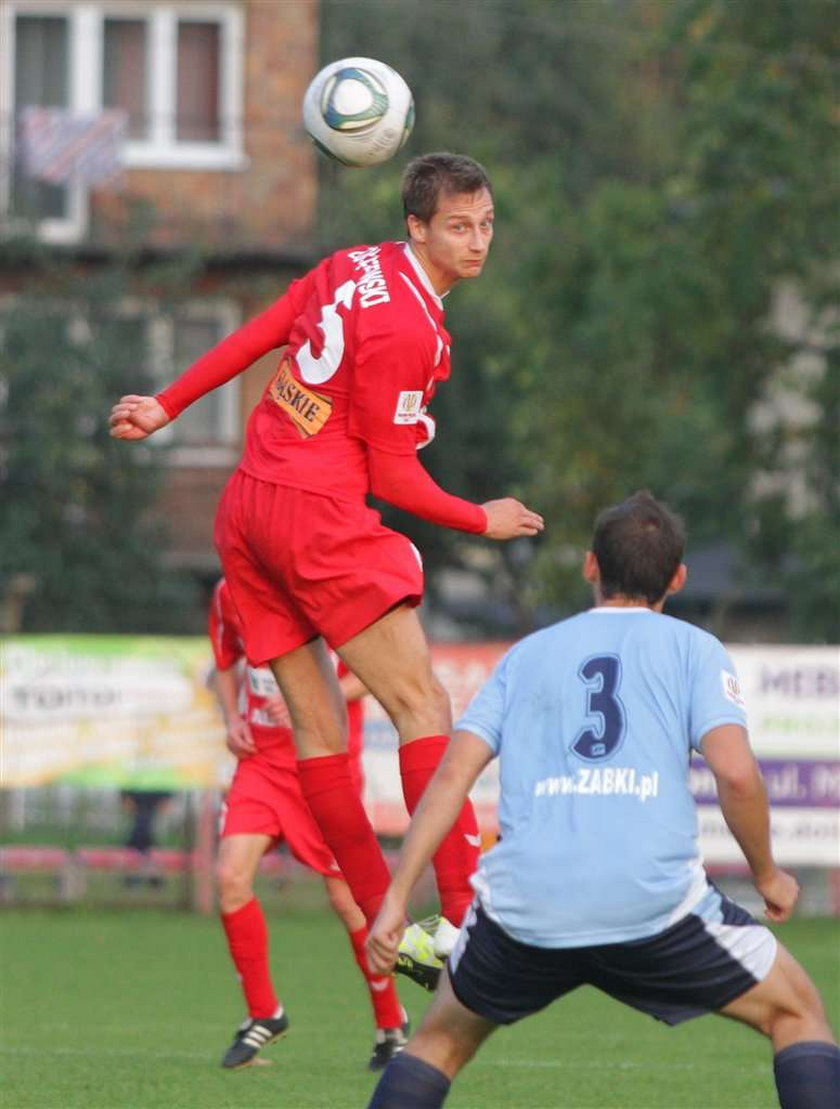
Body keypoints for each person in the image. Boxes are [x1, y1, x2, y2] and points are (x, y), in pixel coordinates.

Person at [109, 153, 544, 981]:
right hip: (316, 518)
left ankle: (394, 929)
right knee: (423, 703)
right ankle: (465, 916)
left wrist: (169, 402)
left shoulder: (353, 265)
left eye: (486, 224)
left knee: (318, 733)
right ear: (417, 226)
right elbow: (392, 479)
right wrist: (477, 516)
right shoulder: (410, 327)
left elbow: (263, 329)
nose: (478, 240)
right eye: (459, 225)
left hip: (248, 512)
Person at [365, 491, 839, 1109]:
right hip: (652, 906)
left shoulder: (526, 656)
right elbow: (737, 775)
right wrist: (768, 874)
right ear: (678, 577)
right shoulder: (694, 650)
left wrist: (397, 899)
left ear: (591, 565)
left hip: (525, 909)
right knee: (797, 1012)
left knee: (437, 1044)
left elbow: (450, 779)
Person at [209, 577, 408, 1071]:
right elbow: (223, 664)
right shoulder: (228, 592)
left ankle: (391, 1025)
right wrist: (230, 717)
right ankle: (264, 1014)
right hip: (261, 763)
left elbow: (376, 672)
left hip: (324, 761)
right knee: (230, 876)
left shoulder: (332, 589)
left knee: (348, 900)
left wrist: (311, 695)